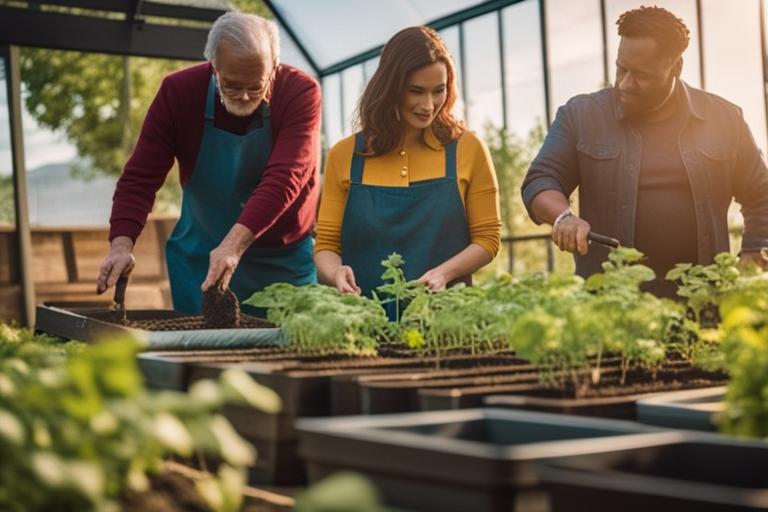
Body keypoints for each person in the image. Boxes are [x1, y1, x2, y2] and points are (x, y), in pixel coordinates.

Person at [521, 5, 768, 298]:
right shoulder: (581, 115)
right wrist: (563, 217)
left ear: (676, 67)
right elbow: (541, 180)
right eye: (620, 69)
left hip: (703, 299)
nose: (624, 83)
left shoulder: (725, 119)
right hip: (611, 303)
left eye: (640, 75)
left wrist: (753, 250)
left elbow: (761, 194)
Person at [95, 12, 321, 313]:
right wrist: (121, 245)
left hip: (282, 260)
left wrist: (233, 246)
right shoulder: (178, 92)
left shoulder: (300, 92)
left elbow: (286, 178)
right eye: (231, 85)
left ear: (274, 67)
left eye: (256, 86)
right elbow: (140, 178)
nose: (244, 96)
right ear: (213, 67)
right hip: (201, 257)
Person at [314, 26, 502, 317]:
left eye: (438, 91)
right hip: (360, 322)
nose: (428, 106)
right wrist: (336, 273)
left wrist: (443, 274)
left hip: (446, 321)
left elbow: (487, 239)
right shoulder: (344, 155)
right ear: (390, 88)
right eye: (416, 91)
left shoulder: (468, 148)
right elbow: (326, 245)